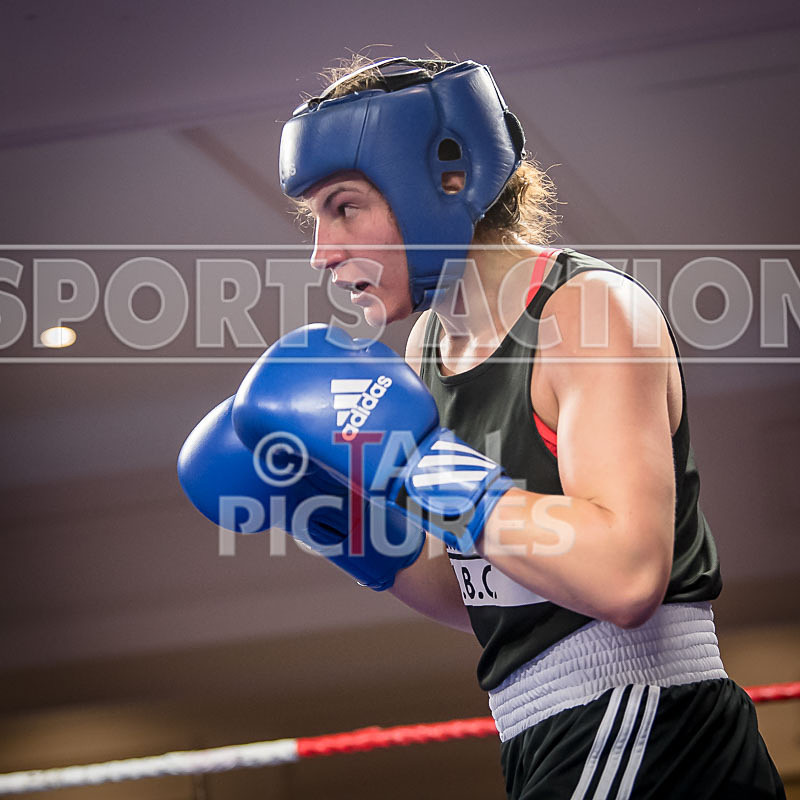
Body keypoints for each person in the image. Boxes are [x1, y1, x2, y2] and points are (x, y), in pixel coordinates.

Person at [179, 57, 785, 798]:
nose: (323, 252)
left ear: (445, 177)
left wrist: (419, 463)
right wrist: (337, 519)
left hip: (645, 716)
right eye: (316, 219)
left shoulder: (587, 317)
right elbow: (479, 587)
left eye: (344, 207)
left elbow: (626, 575)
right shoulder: (427, 347)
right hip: (542, 728)